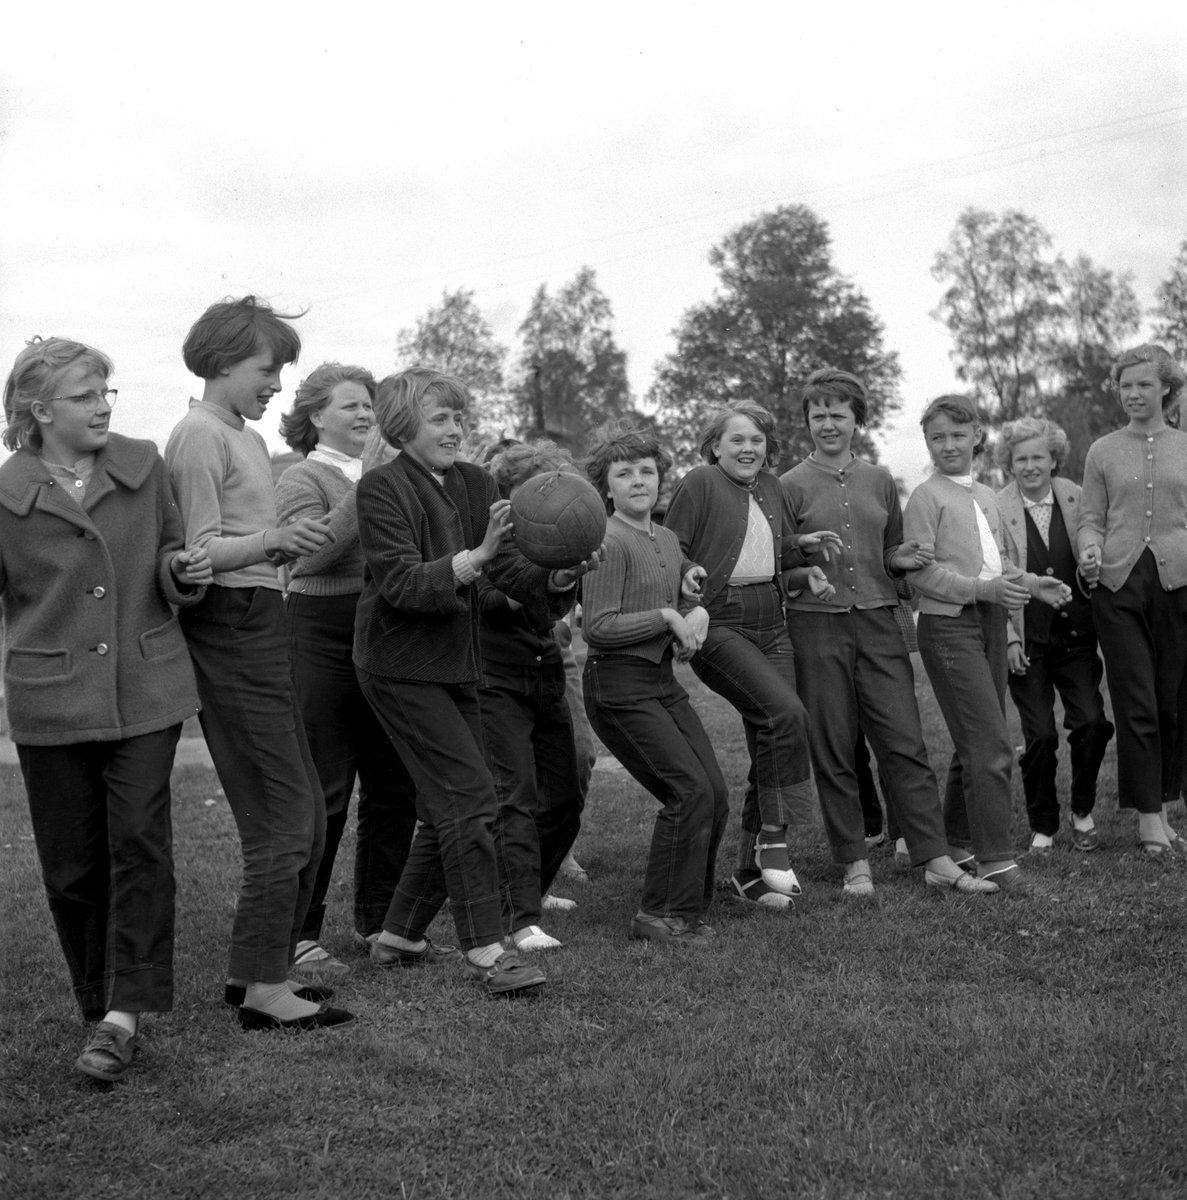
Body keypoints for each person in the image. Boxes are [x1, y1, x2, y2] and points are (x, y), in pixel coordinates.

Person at [1, 337, 210, 1080]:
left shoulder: (142, 462)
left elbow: (170, 551)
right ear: (40, 409)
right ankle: (100, 1003)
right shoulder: (5, 494)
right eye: (87, 395)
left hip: (145, 689)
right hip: (49, 701)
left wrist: (179, 570)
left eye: (106, 392)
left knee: (141, 843)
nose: (103, 405)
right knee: (70, 867)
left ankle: (127, 1010)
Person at [355, 368, 595, 995]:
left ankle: (401, 934)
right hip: (398, 666)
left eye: (459, 418)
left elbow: (512, 570)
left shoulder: (475, 482)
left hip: (459, 665)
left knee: (453, 805)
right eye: (440, 418)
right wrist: (477, 558)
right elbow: (404, 584)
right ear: (403, 424)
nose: (456, 429)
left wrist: (560, 578)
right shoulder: (380, 489)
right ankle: (488, 947)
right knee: (470, 798)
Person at [166, 296, 352, 1031]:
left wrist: (279, 540)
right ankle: (265, 986)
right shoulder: (197, 437)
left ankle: (257, 975)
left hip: (261, 620)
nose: (275, 384)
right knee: (285, 815)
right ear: (218, 361)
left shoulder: (238, 433)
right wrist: (275, 542)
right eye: (264, 368)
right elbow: (199, 555)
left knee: (298, 807)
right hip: (230, 623)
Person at [782, 369, 996, 896]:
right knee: (832, 746)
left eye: (839, 413)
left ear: (858, 420)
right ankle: (854, 860)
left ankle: (934, 856)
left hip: (879, 622)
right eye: (818, 415)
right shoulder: (786, 486)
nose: (828, 423)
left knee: (904, 741)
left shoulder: (880, 479)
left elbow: (892, 555)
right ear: (807, 422)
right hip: (816, 626)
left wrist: (899, 559)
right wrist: (802, 564)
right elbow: (778, 567)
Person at [663, 400, 837, 909]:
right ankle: (773, 841)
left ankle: (747, 874)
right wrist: (687, 571)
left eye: (757, 440)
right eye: (737, 439)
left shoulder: (772, 487)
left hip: (772, 617)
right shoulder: (699, 482)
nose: (748, 448)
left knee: (771, 737)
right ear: (715, 446)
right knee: (785, 716)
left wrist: (804, 557)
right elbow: (672, 548)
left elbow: (776, 553)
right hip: (718, 619)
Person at [275, 363, 418, 975]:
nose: (365, 416)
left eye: (370, 406)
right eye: (350, 406)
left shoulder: (395, 474)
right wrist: (372, 485)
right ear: (314, 416)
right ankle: (300, 933)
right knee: (327, 790)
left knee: (394, 786)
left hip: (386, 633)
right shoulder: (302, 477)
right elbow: (310, 556)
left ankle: (382, 923)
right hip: (322, 634)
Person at [904, 394, 1071, 894]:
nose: (948, 445)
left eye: (958, 434)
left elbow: (993, 566)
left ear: (978, 435)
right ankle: (996, 861)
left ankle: (956, 842)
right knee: (992, 745)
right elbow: (923, 576)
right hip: (948, 625)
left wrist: (1033, 583)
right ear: (928, 442)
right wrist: (985, 590)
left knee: (974, 740)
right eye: (938, 437)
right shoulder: (924, 497)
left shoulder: (986, 495)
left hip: (991, 621)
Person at [581, 422, 728, 942]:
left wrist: (694, 608)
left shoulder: (663, 535)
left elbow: (678, 588)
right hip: (617, 685)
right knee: (687, 790)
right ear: (607, 486)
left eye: (647, 470)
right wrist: (667, 616)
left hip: (660, 680)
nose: (639, 480)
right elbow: (598, 626)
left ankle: (688, 905)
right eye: (625, 473)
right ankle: (658, 914)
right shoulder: (604, 539)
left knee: (714, 789)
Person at [1077, 344, 1187, 856]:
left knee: (1172, 703)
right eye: (1125, 385)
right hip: (1117, 586)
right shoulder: (1101, 450)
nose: (1133, 394)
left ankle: (1162, 808)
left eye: (1143, 383)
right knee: (1137, 701)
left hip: (1177, 586)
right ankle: (1148, 820)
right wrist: (1090, 550)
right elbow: (1090, 518)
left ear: (1166, 386)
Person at [478, 440, 586, 950]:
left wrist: (563, 576)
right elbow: (489, 596)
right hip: (493, 678)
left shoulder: (559, 539)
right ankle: (517, 918)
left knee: (565, 795)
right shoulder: (486, 534)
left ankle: (529, 893)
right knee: (514, 798)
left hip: (544, 673)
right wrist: (548, 580)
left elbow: (553, 600)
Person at [993, 417, 1114, 854]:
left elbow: (1094, 547)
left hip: (1078, 637)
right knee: (1040, 736)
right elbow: (994, 577)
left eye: (1038, 457)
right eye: (1020, 458)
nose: (1030, 466)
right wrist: (1008, 637)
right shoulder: (997, 506)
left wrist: (1090, 568)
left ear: (1054, 459)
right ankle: (1043, 823)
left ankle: (1082, 811)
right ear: (1009, 462)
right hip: (1028, 642)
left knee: (1092, 723)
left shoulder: (1077, 497)